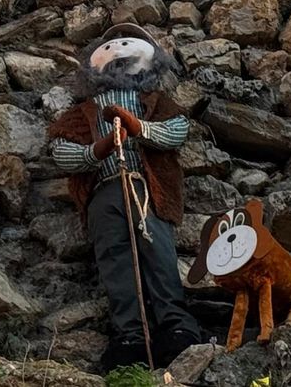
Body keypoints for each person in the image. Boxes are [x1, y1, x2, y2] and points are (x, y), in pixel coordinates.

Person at [47, 24, 208, 372]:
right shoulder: (82, 112)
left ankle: (175, 324)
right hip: (105, 191)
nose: (118, 49)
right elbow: (61, 151)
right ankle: (130, 334)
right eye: (110, 45)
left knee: (158, 252)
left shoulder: (155, 102)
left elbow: (177, 130)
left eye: (127, 43)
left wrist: (139, 128)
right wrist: (98, 150)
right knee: (114, 258)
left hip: (146, 188)